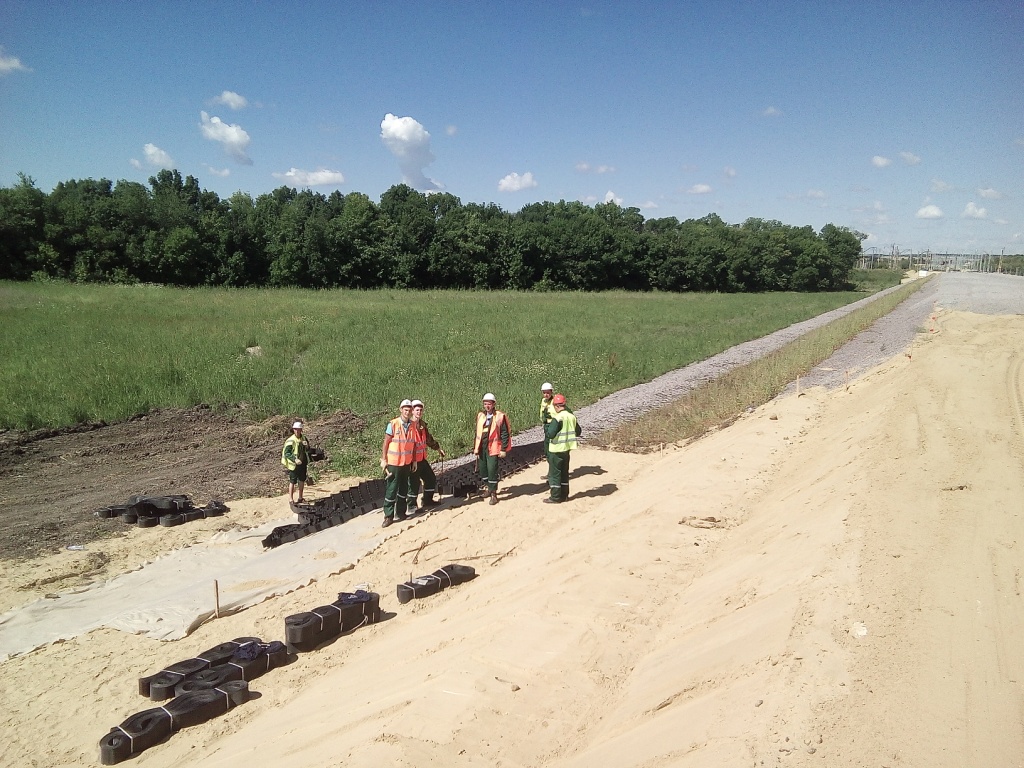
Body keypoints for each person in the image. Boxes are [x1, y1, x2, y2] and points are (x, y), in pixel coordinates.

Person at [380, 399, 418, 527]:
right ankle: (388, 515)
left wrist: (414, 461)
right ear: (401, 410)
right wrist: (384, 459)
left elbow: (413, 445)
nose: (407, 412)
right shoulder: (393, 424)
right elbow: (386, 442)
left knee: (403, 488)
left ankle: (401, 512)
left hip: (406, 463)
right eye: (405, 410)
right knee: (392, 488)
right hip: (394, 463)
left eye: (409, 410)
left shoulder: (413, 425)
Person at [474, 393, 512, 505]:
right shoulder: (481, 416)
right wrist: (476, 447)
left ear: (494, 404)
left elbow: (505, 433)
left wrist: (503, 449)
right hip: (482, 448)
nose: (487, 406)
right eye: (485, 404)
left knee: (492, 470)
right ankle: (489, 488)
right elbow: (477, 432)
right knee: (483, 470)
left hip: (493, 448)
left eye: (489, 404)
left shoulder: (500, 416)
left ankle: (493, 494)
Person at [543, 394, 582, 503]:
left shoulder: (558, 418)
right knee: (564, 473)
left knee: (555, 474)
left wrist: (547, 427)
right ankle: (565, 495)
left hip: (556, 450)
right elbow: (578, 431)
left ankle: (555, 497)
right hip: (567, 449)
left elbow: (550, 434)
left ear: (556, 405)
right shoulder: (571, 417)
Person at [408, 399, 445, 510]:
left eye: (420, 410)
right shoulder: (408, 426)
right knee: (414, 483)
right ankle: (411, 505)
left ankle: (427, 501)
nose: (419, 412)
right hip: (412, 460)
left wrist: (438, 449)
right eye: (417, 410)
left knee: (430, 478)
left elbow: (429, 440)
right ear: (412, 411)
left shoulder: (422, 426)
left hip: (422, 458)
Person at [282, 420, 310, 504]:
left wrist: (307, 446)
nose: (297, 431)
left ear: (301, 430)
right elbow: (287, 453)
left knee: (302, 480)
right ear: (293, 430)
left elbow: (308, 449)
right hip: (294, 465)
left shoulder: (304, 438)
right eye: (296, 429)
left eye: (299, 429)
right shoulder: (291, 440)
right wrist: (295, 459)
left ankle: (300, 497)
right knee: (292, 481)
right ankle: (291, 499)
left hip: (302, 463)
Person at [539, 382, 556, 474]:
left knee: (551, 452)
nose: (546, 394)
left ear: (551, 392)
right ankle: (552, 471)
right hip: (546, 426)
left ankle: (552, 473)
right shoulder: (543, 401)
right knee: (547, 451)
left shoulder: (555, 401)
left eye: (548, 392)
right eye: (544, 392)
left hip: (553, 426)